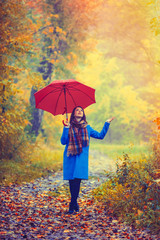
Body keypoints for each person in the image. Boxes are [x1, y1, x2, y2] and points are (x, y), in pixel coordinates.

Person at [60, 106, 115, 214]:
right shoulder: (69, 126)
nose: (79, 111)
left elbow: (100, 136)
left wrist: (106, 123)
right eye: (77, 110)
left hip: (81, 157)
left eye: (81, 110)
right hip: (70, 156)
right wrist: (66, 128)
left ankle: (72, 204)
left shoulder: (87, 127)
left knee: (77, 180)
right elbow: (63, 141)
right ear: (74, 113)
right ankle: (74, 203)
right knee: (72, 181)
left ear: (83, 114)